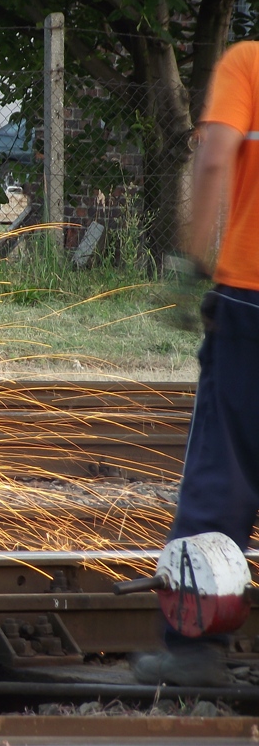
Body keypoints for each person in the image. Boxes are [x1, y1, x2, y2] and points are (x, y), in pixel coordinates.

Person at [133, 39, 259, 688]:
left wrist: (191, 266)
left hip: (251, 301)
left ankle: (194, 651)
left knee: (224, 474)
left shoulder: (248, 63)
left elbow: (213, 163)